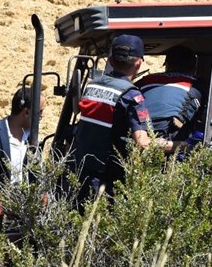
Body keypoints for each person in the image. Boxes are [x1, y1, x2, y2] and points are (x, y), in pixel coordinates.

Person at [68, 34, 180, 202]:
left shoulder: (92, 85)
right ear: (139, 63)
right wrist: (180, 146)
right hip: (106, 179)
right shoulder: (131, 95)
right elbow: (143, 142)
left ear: (111, 60)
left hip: (79, 172)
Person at [138, 46, 202, 139]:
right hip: (171, 137)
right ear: (194, 68)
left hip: (138, 131)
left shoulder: (146, 80)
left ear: (167, 65)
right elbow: (210, 122)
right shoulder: (199, 84)